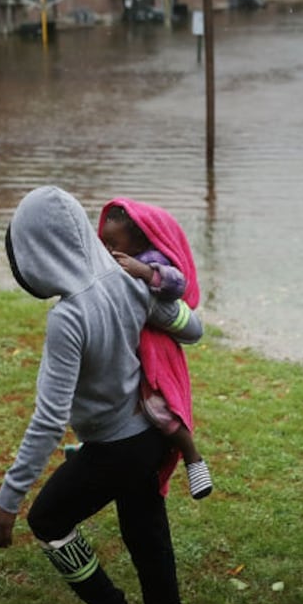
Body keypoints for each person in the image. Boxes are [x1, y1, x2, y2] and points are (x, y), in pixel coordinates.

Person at [0, 185, 204, 604]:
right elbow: (192, 328)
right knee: (147, 534)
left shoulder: (69, 316)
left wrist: (8, 499)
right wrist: (156, 288)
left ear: (35, 253)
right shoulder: (126, 281)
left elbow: (49, 419)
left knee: (48, 520)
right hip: (150, 436)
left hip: (116, 447)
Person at [98, 199, 212, 499]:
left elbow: (176, 284)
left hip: (156, 347)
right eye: (104, 242)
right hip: (132, 348)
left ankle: (192, 457)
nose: (109, 250)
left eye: (114, 243)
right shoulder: (114, 264)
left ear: (137, 240)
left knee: (159, 409)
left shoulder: (152, 258)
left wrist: (145, 272)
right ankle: (92, 452)